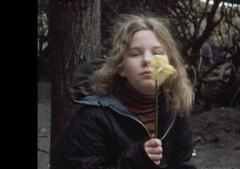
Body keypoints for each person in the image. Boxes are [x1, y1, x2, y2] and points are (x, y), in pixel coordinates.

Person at [52, 14, 196, 169]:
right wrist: (136, 160)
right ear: (121, 68)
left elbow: (183, 162)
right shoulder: (94, 117)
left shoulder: (176, 110)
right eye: (135, 54)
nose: (147, 60)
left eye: (157, 53)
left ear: (171, 64)